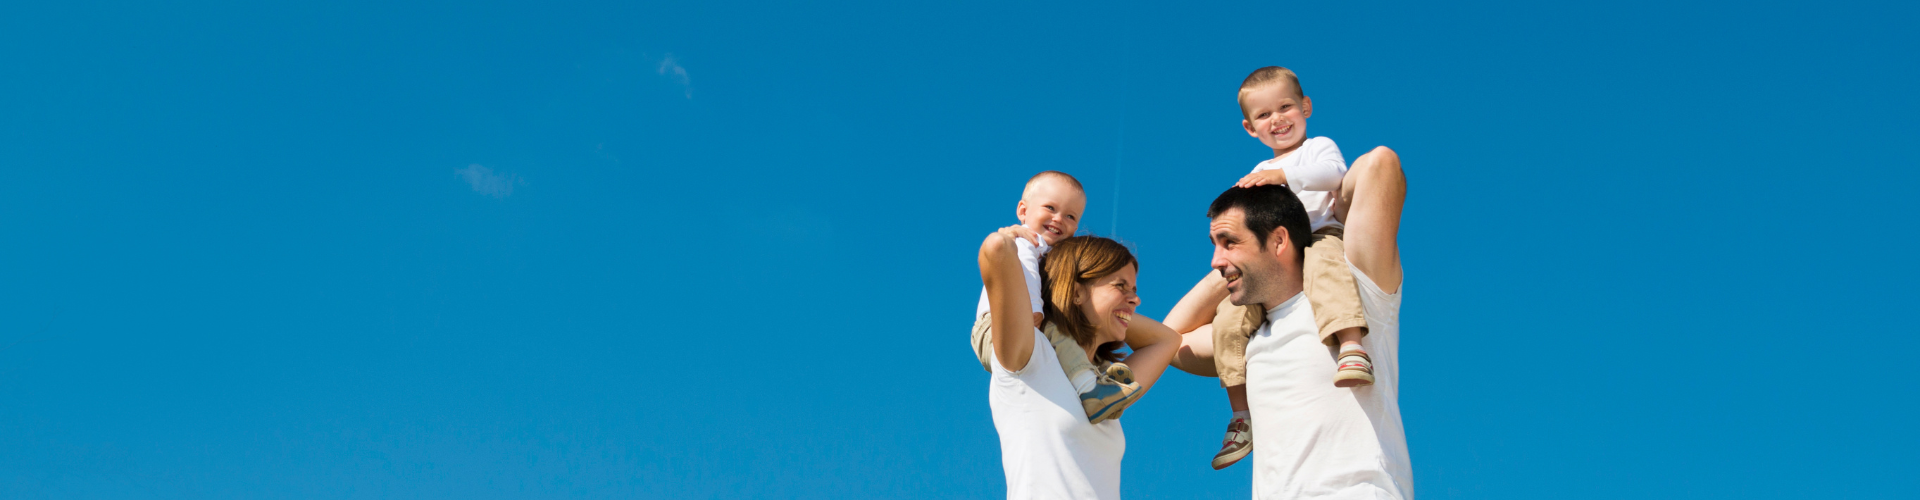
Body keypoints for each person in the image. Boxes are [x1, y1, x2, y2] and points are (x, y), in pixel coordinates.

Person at [1165, 66, 1378, 469]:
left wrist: (1283, 175)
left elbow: (1335, 174)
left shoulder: (1316, 149)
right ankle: (1241, 413)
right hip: (1274, 259)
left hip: (1320, 234)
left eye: (1285, 107)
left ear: (1306, 107)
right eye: (1264, 115)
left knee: (1328, 271)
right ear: (1250, 128)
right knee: (1229, 318)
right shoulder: (1258, 172)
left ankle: (1350, 344)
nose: (1277, 119)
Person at [1172, 148, 1412, 498]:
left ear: (1279, 239)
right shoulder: (1249, 337)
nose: (1214, 261)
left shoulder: (1358, 291)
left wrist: (1309, 203)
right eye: (1214, 245)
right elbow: (1169, 341)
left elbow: (1381, 164)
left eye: (1229, 242)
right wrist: (1232, 263)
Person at [978, 227, 1181, 499]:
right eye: (1120, 285)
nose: (1136, 298)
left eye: (1133, 289)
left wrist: (1118, 307)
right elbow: (995, 250)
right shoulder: (1030, 357)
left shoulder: (1102, 389)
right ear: (1076, 292)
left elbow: (1167, 340)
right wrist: (1016, 237)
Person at [971, 171, 1144, 422]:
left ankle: (1100, 377)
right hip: (996, 326)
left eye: (1071, 216)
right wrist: (1034, 313)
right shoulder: (1023, 242)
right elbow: (1027, 274)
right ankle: (1089, 387)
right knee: (1057, 329)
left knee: (1067, 332)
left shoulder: (1054, 256)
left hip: (1024, 323)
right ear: (1023, 211)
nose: (1059, 219)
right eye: (1050, 208)